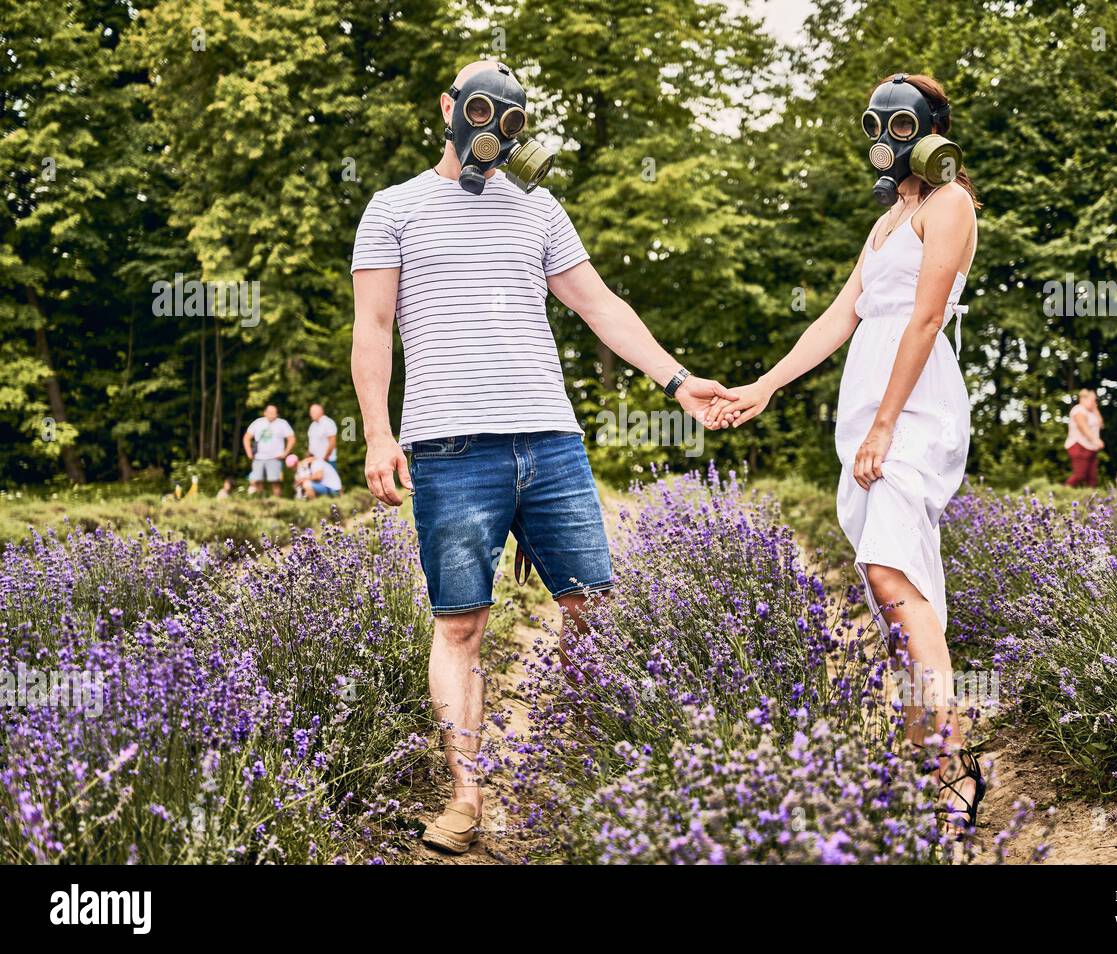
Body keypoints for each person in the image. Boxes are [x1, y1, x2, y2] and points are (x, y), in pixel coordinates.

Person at [350, 59, 735, 854]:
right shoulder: (393, 208)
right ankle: (466, 800)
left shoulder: (540, 206)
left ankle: (579, 769)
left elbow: (599, 303)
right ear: (449, 107)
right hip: (451, 447)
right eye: (481, 109)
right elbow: (373, 328)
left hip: (551, 441)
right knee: (462, 625)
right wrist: (378, 433)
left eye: (510, 117)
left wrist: (678, 380)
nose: (493, 127)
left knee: (593, 608)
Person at [706, 73, 983, 837]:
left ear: (928, 129)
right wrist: (764, 385)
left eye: (899, 124)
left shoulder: (951, 205)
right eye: (876, 123)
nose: (885, 138)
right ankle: (920, 757)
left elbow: (925, 321)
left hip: (913, 405)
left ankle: (954, 771)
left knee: (894, 571)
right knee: (886, 581)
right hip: (867, 403)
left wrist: (887, 425)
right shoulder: (890, 220)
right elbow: (840, 316)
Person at [242, 405, 295, 497]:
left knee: (275, 482)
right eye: (270, 412)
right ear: (265, 413)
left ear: (277, 414)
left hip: (275, 458)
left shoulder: (282, 423)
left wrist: (285, 453)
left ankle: (277, 503)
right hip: (258, 458)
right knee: (257, 481)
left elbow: (292, 438)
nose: (272, 414)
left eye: (274, 413)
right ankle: (261, 502)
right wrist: (249, 452)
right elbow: (246, 437)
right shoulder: (258, 423)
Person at [1064, 389, 1104, 488]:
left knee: (1092, 478)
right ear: (1083, 399)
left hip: (1091, 448)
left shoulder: (1092, 412)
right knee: (1079, 475)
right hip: (1079, 446)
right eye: (1092, 400)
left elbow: (1101, 424)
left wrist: (1095, 409)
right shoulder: (1078, 410)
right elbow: (1083, 427)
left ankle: (1091, 499)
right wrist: (1096, 440)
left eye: (1095, 400)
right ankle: (1063, 491)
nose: (1094, 402)